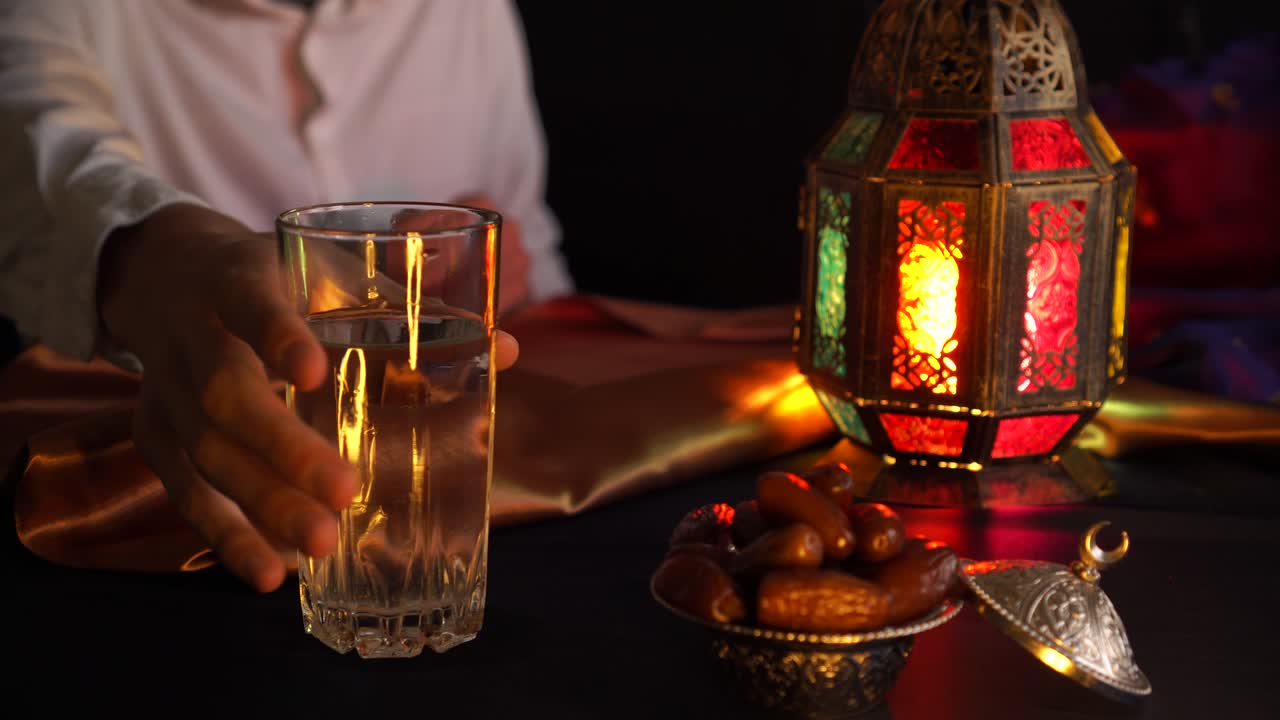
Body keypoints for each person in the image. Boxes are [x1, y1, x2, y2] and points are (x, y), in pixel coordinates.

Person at [0, 0, 571, 592]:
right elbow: (36, 167)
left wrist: (510, 277)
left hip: (476, 510)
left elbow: (533, 250)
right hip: (146, 531)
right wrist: (159, 254)